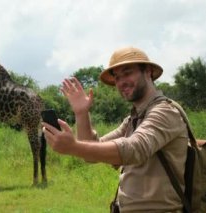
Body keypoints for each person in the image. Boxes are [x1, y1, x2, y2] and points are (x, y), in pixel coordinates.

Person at [42, 46, 189, 212]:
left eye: (127, 73)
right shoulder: (134, 119)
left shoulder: (165, 111)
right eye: (117, 78)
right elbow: (92, 152)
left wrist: (73, 147)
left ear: (147, 71)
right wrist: (82, 113)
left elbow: (135, 148)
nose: (121, 82)